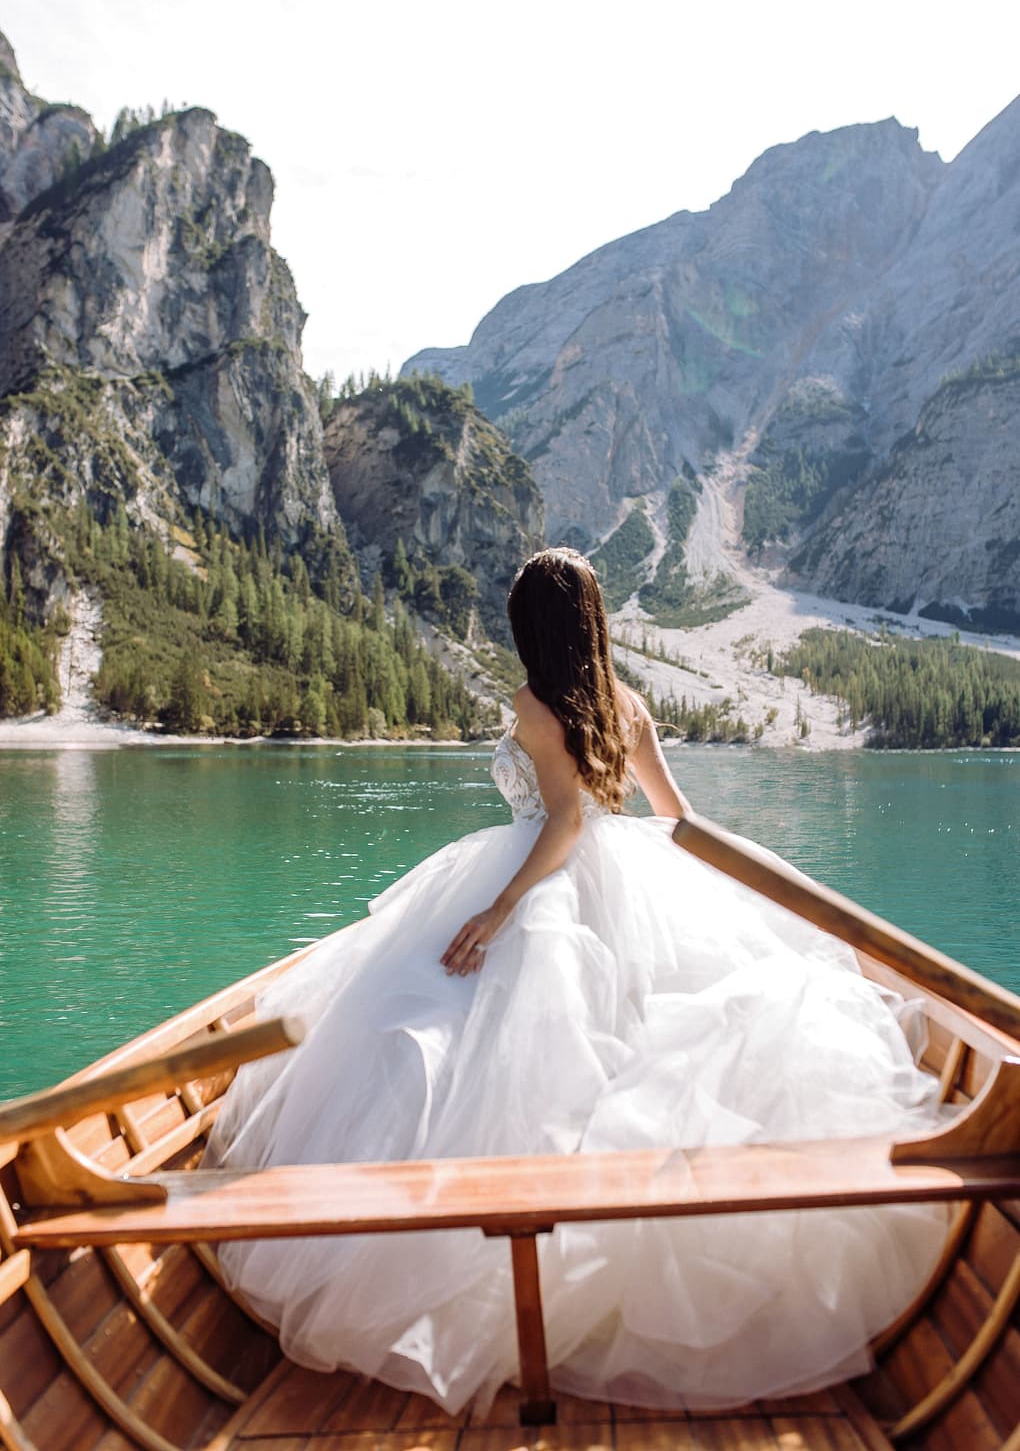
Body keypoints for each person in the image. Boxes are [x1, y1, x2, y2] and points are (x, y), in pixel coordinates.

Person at [205, 547, 948, 1415]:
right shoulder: (626, 703)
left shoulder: (533, 704)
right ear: (592, 621)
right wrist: (731, 885)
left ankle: (497, 1276)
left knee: (457, 1045)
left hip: (545, 882)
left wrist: (499, 910)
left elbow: (560, 822)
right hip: (629, 881)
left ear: (532, 627)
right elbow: (678, 817)